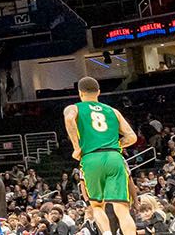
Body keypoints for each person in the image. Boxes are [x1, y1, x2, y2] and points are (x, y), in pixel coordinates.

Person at [65, 77, 139, 235]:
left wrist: (76, 147)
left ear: (80, 93)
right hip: (114, 157)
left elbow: (69, 119)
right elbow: (132, 137)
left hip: (91, 158)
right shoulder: (113, 111)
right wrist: (115, 145)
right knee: (122, 208)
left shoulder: (74, 108)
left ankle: (106, 233)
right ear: (99, 92)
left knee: (97, 206)